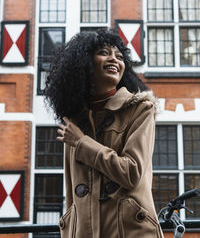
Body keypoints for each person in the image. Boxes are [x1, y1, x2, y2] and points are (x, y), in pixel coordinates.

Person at [44, 29, 164, 238]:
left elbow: (132, 173)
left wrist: (82, 143)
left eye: (119, 56)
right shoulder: (74, 120)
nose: (114, 59)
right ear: (85, 64)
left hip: (130, 232)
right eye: (104, 53)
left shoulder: (141, 109)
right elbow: (73, 192)